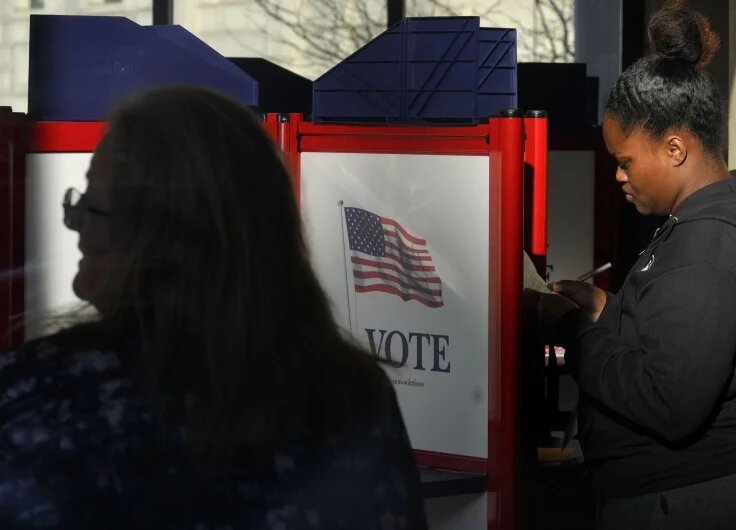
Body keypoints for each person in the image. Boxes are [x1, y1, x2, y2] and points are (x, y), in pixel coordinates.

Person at [0, 86, 427, 529]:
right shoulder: (350, 395)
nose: (77, 227)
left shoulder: (48, 398)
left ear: (156, 235)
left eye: (92, 207)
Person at [527, 2, 736, 529]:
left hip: (691, 503)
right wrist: (606, 310)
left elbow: (668, 401)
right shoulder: (706, 232)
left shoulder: (708, 250)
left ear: (676, 147)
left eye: (625, 161)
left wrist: (571, 330)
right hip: (694, 496)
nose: (618, 177)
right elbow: (682, 338)